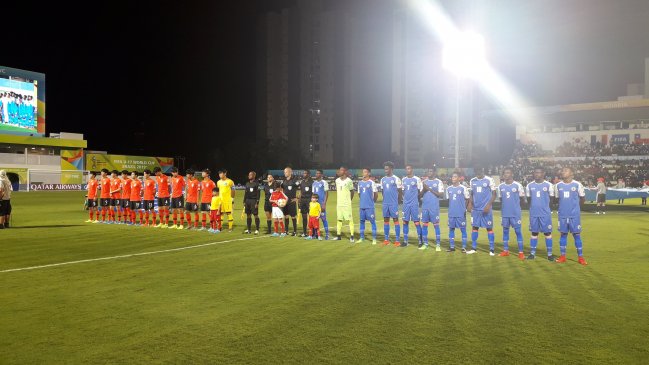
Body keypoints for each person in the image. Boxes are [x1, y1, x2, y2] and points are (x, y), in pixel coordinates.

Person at [555, 167, 588, 265]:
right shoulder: (557, 185)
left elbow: (582, 199)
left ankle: (581, 258)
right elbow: (557, 199)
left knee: (576, 235)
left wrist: (576, 209)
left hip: (574, 215)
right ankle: (562, 256)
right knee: (563, 234)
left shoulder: (577, 184)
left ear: (571, 173)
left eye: (566, 170)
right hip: (562, 215)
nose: (563, 171)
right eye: (562, 170)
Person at [525, 167, 555, 261]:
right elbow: (529, 199)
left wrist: (546, 208)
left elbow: (552, 199)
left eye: (539, 172)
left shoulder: (549, 185)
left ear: (543, 173)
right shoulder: (529, 185)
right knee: (534, 233)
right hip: (533, 213)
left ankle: (549, 254)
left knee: (547, 233)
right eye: (535, 172)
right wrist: (534, 207)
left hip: (545, 214)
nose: (537, 174)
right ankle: (532, 254)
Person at [497, 167, 526, 259]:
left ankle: (521, 252)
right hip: (505, 213)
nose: (506, 174)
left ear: (512, 174)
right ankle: (506, 251)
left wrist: (516, 208)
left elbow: (522, 199)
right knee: (505, 231)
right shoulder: (500, 186)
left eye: (508, 173)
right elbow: (501, 200)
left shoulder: (518, 185)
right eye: (505, 173)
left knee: (518, 232)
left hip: (515, 214)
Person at [468, 167, 497, 255]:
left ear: (482, 170)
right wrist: (470, 204)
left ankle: (491, 250)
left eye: (479, 171)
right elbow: (471, 194)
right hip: (476, 209)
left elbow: (494, 194)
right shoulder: (472, 181)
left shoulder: (489, 180)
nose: (478, 173)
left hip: (486, 209)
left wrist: (488, 205)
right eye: (476, 171)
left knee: (489, 228)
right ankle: (473, 248)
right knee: (475, 227)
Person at [421, 167, 444, 251]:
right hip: (425, 207)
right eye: (428, 171)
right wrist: (424, 189)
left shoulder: (438, 182)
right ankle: (425, 244)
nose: (429, 172)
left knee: (436, 226)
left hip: (434, 207)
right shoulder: (424, 182)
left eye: (430, 171)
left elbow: (441, 195)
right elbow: (420, 195)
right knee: (424, 225)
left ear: (434, 172)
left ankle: (438, 245)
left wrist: (429, 189)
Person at [446, 172, 470, 252]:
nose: (453, 178)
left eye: (455, 176)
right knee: (451, 229)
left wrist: (464, 209)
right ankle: (452, 247)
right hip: (451, 213)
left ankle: (463, 247)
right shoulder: (448, 189)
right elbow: (449, 200)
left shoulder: (463, 188)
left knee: (463, 230)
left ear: (459, 178)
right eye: (452, 176)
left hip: (460, 213)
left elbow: (467, 199)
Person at [380, 161, 402, 246]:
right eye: (385, 169)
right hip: (385, 203)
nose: (385, 170)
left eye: (387, 169)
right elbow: (382, 191)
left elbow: (400, 192)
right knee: (386, 220)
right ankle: (386, 240)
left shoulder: (396, 179)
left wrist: (398, 202)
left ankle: (397, 241)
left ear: (391, 169)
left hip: (393, 204)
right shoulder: (383, 179)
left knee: (395, 220)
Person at [401, 164, 423, 247]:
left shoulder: (417, 179)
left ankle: (420, 242)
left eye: (409, 168)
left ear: (412, 169)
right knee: (405, 222)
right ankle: (405, 241)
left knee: (417, 222)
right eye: (406, 169)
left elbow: (420, 191)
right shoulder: (404, 180)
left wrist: (416, 199)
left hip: (414, 204)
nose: (407, 170)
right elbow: (403, 191)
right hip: (406, 204)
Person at [333, 166, 355, 242]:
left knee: (350, 220)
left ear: (345, 171)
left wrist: (349, 200)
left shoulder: (349, 181)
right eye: (339, 170)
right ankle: (338, 236)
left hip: (347, 204)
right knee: (339, 219)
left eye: (341, 170)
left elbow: (352, 191)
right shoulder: (337, 180)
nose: (340, 171)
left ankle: (352, 236)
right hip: (339, 204)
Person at [357, 168, 378, 244]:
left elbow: (376, 194)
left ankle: (374, 239)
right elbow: (359, 194)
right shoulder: (360, 183)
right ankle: (361, 238)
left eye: (365, 172)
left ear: (369, 173)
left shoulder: (372, 183)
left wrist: (372, 202)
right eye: (363, 172)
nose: (363, 173)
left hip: (370, 207)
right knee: (362, 222)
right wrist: (363, 201)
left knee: (372, 222)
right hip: (362, 206)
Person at [312, 169, 330, 239]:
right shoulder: (314, 183)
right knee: (315, 219)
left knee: (323, 219)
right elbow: (313, 194)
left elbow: (326, 193)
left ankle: (327, 234)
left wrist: (324, 204)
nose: (317, 174)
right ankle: (315, 234)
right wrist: (312, 204)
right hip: (315, 205)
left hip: (321, 204)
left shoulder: (324, 182)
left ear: (321, 175)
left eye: (318, 173)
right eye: (316, 173)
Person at [281, 167, 299, 236]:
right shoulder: (283, 181)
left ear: (290, 172)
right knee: (286, 216)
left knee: (293, 216)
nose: (284, 173)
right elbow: (281, 189)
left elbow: (301, 188)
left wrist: (297, 198)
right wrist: (282, 198)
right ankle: (286, 231)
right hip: (285, 202)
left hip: (292, 201)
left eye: (285, 172)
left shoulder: (294, 181)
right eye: (284, 172)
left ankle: (294, 231)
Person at [298, 170, 314, 237]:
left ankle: (312, 232)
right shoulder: (302, 182)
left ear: (309, 174)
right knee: (304, 217)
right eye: (303, 173)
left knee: (311, 217)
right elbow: (301, 191)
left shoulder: (312, 182)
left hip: (309, 200)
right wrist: (299, 199)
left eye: (305, 173)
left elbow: (313, 192)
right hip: (303, 201)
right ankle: (304, 232)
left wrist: (312, 201)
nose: (304, 174)